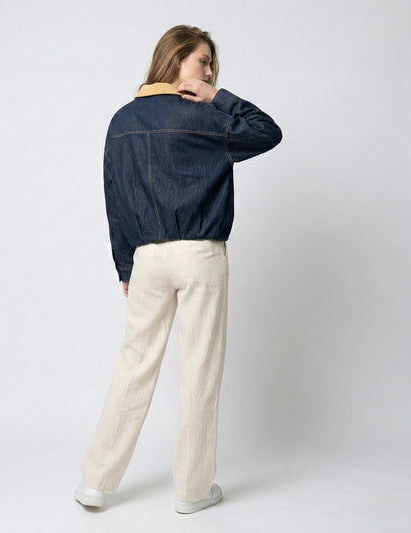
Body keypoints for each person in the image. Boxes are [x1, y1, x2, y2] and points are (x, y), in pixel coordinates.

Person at [75, 24, 282, 514]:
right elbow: (267, 131)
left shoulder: (122, 121)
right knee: (200, 370)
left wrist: (125, 264)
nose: (208, 72)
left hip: (147, 258)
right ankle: (192, 490)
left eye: (211, 65)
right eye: (202, 60)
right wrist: (219, 99)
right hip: (200, 255)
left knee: (134, 364)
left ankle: (95, 482)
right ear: (174, 58)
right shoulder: (208, 116)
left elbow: (114, 199)